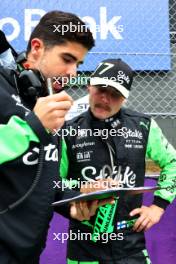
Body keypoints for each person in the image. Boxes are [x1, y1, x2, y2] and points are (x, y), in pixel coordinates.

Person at [0, 11, 113, 264]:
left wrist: (75, 203)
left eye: (79, 64)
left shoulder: (48, 103)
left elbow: (43, 180)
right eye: (67, 59)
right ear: (37, 48)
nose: (73, 72)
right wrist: (31, 127)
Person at [61, 58, 176, 264]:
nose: (105, 98)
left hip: (130, 245)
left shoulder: (142, 126)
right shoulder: (68, 131)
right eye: (100, 89)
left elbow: (173, 162)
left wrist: (158, 206)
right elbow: (53, 180)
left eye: (115, 94)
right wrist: (79, 192)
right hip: (84, 246)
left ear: (125, 98)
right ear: (89, 85)